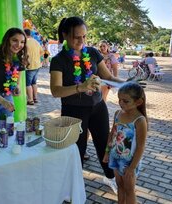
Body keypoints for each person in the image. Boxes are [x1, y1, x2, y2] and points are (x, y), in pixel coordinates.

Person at [50, 16, 126, 193]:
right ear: (65, 35)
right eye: (77, 37)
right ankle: (73, 185)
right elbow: (56, 91)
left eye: (84, 36)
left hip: (98, 106)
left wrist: (127, 83)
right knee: (77, 148)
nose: (81, 41)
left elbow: (108, 77)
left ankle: (110, 178)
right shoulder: (59, 60)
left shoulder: (92, 53)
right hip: (73, 110)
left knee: (104, 143)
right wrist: (80, 87)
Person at [103, 82, 147, 203]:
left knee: (129, 189)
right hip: (115, 156)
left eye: (126, 101)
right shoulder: (118, 114)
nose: (121, 103)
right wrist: (107, 152)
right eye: (119, 100)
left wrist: (132, 167)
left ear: (138, 102)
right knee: (119, 185)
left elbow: (140, 146)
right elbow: (112, 134)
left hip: (129, 162)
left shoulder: (139, 120)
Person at [24, 28, 43, 105]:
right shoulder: (36, 42)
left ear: (25, 34)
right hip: (37, 65)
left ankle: (30, 100)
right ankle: (35, 98)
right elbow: (42, 52)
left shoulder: (25, 42)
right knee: (34, 83)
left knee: (27, 84)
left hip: (29, 66)